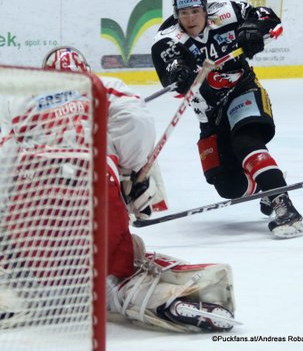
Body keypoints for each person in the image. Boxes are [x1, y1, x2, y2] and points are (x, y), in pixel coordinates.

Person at [0, 47, 237, 332]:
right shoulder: (105, 86)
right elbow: (135, 121)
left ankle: (19, 294)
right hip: (95, 186)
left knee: (18, 260)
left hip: (32, 203)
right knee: (120, 262)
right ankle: (139, 293)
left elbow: (5, 156)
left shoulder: (21, 102)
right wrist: (134, 173)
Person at [151, 0, 303, 239]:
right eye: (184, 13)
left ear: (204, 7)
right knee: (228, 185)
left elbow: (270, 20)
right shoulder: (167, 40)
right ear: (176, 13)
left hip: (242, 90)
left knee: (246, 141)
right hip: (209, 113)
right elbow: (175, 85)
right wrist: (180, 75)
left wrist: (253, 29)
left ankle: (282, 205)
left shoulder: (226, 12)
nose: (190, 18)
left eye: (194, 10)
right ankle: (267, 182)